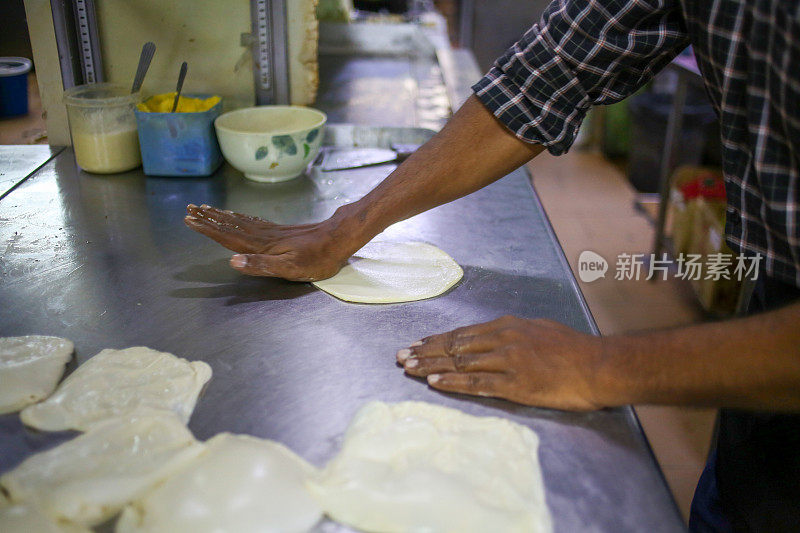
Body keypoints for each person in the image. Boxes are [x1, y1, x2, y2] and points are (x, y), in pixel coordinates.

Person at [186, 0, 800, 530]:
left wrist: (598, 365)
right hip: (768, 311)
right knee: (739, 504)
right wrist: (349, 225)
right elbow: (547, 74)